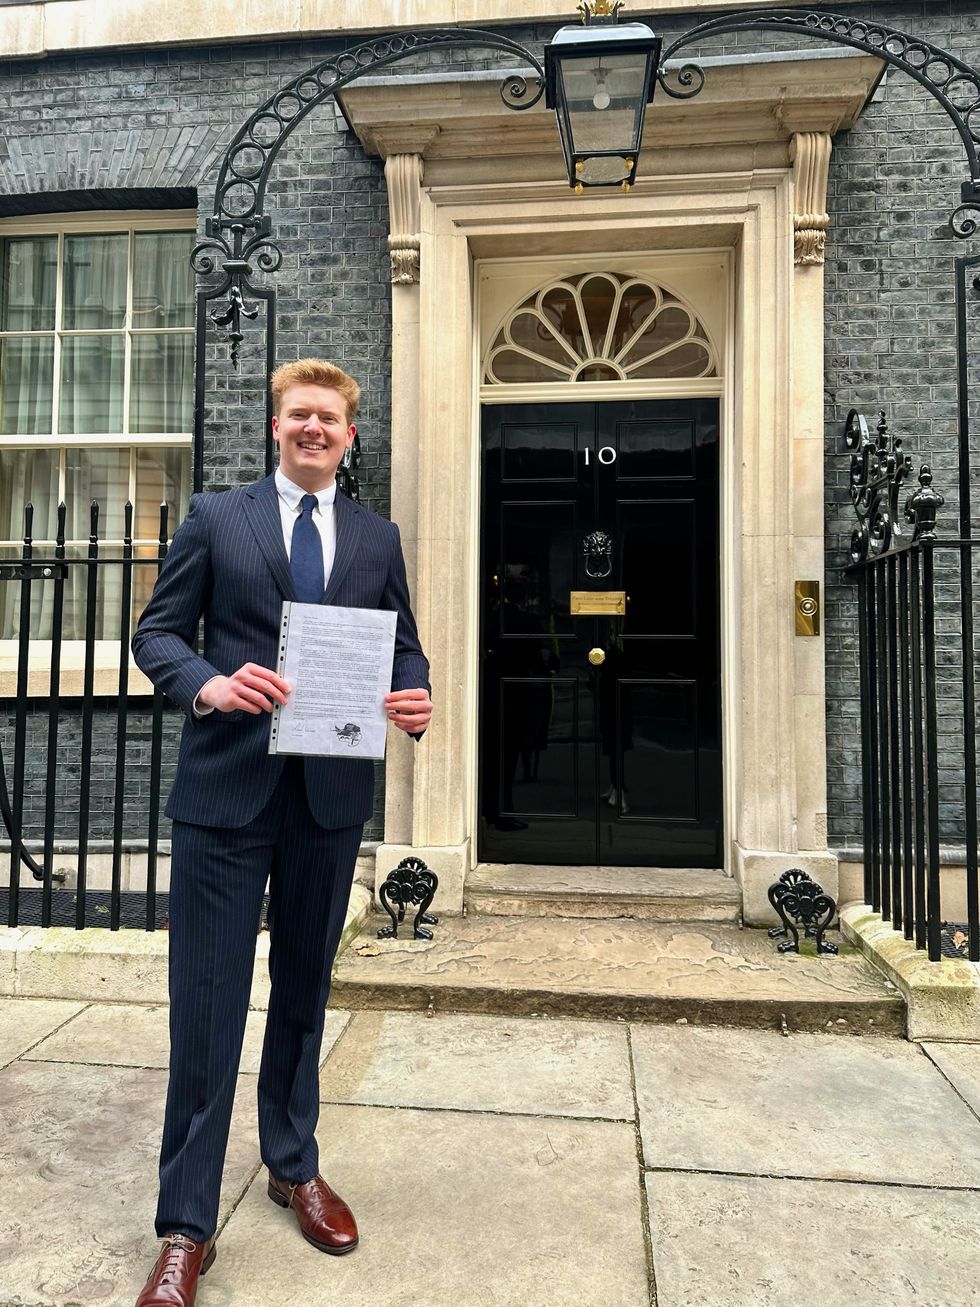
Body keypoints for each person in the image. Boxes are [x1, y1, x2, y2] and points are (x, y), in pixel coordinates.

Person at [130, 359, 432, 1306]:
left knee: (303, 993)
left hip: (328, 799)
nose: (313, 429)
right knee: (208, 1009)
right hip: (224, 794)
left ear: (349, 435)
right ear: (275, 427)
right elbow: (156, 635)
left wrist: (414, 695)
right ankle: (186, 1224)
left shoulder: (377, 537)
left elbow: (403, 641)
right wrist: (209, 684)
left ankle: (294, 1163)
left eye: (329, 419)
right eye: (298, 415)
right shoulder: (219, 519)